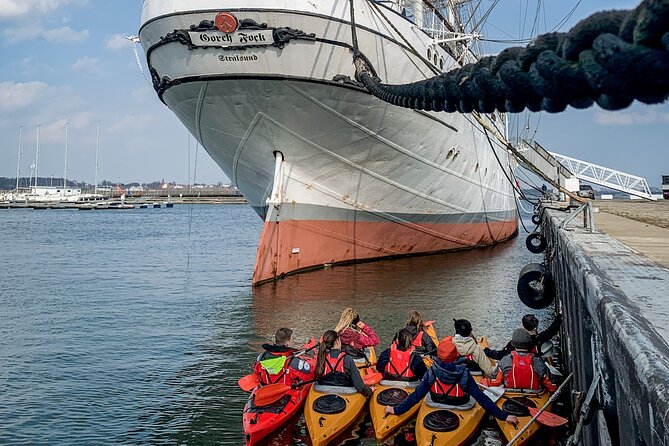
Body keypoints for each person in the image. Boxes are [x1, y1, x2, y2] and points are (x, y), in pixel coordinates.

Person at [384, 339, 518, 427]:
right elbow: (481, 399)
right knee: (475, 392)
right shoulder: (464, 373)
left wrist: (395, 409)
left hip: (436, 402)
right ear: (456, 356)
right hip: (461, 404)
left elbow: (416, 396)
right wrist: (504, 416)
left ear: (438, 356)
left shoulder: (431, 372)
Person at [490, 329, 557, 392]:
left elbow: (495, 382)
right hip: (535, 393)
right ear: (529, 344)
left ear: (513, 344)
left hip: (510, 392)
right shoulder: (538, 361)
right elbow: (552, 386)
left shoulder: (504, 360)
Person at [315, 330, 374, 397]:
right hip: (345, 392)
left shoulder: (321, 357)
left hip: (322, 391)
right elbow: (359, 386)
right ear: (337, 341)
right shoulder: (347, 359)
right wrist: (370, 391)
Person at [485, 313, 563, 361]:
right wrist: (559, 316)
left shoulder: (515, 342)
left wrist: (486, 351)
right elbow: (551, 330)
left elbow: (500, 355)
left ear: (522, 326)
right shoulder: (539, 339)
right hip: (534, 367)